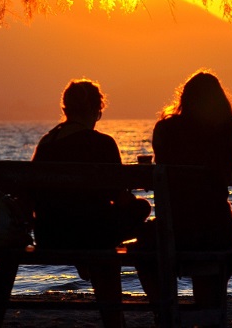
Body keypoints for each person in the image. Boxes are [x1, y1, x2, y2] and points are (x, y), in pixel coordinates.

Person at [32, 79, 150, 328]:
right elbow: (118, 196)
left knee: (100, 229)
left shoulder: (46, 143)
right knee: (140, 210)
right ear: (97, 110)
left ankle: (88, 264)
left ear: (65, 109)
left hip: (49, 235)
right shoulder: (102, 143)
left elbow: (32, 196)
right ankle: (113, 318)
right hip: (91, 234)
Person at [136, 70, 232, 320]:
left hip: (176, 230)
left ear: (184, 99)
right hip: (217, 230)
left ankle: (163, 309)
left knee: (141, 248)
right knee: (210, 278)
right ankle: (209, 315)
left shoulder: (166, 129)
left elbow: (161, 170)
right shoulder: (225, 131)